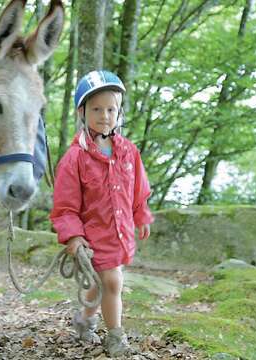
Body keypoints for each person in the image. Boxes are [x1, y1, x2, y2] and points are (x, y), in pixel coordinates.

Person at [50, 70, 154, 357]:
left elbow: (138, 189)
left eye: (111, 109)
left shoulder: (128, 152)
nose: (104, 115)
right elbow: (65, 206)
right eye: (96, 109)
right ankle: (116, 336)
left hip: (120, 233)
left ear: (119, 112)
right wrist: (72, 236)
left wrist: (141, 214)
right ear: (82, 112)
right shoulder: (75, 158)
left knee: (99, 286)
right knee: (112, 281)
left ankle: (85, 318)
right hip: (93, 237)